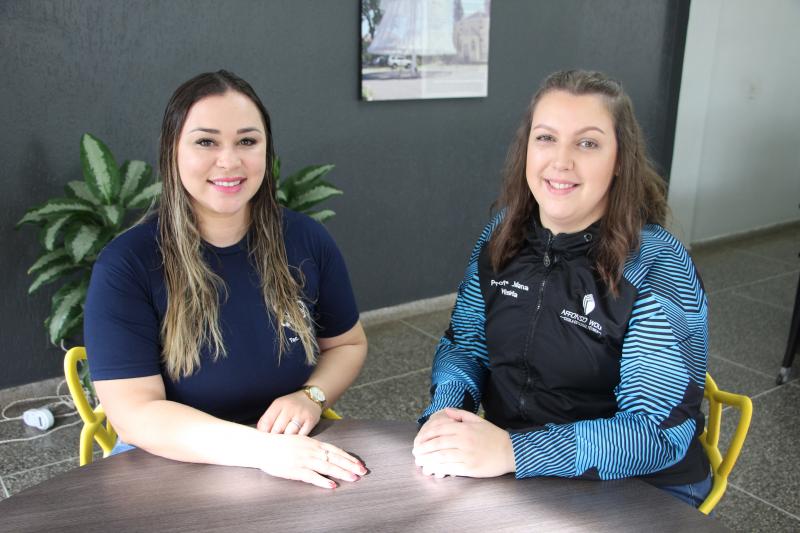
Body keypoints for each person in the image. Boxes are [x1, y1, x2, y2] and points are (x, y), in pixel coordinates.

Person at [412, 70, 711, 507]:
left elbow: (655, 432)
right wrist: (447, 413)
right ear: (526, 148)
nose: (560, 161)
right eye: (546, 138)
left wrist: (515, 451)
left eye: (587, 143)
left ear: (620, 160)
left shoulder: (658, 266)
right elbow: (468, 344)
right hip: (514, 466)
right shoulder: (502, 233)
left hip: (642, 486)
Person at [84, 70, 368, 489]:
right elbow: (136, 413)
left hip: (289, 446)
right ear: (171, 151)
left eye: (247, 141)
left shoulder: (306, 240)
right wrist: (260, 451)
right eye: (206, 141)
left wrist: (312, 396)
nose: (230, 160)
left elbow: (347, 343)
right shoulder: (126, 265)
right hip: (171, 459)